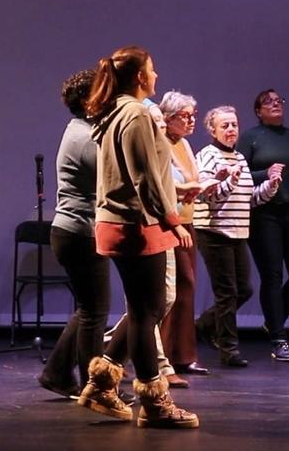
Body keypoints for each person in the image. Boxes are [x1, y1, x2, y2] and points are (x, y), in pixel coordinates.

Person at [77, 46, 198, 429]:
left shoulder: (114, 111)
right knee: (147, 313)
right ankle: (155, 402)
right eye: (152, 70)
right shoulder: (136, 114)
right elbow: (143, 176)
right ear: (140, 77)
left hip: (124, 221)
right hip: (136, 224)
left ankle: (102, 382)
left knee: (146, 309)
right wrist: (171, 219)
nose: (156, 75)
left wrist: (171, 203)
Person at [37, 70, 111, 398]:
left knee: (88, 308)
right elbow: (114, 177)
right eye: (103, 92)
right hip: (80, 233)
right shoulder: (85, 138)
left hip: (75, 231)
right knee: (95, 312)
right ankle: (94, 387)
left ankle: (56, 373)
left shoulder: (84, 130)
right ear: (87, 101)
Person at [193, 106, 280, 367]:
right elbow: (208, 196)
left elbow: (248, 199)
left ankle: (203, 326)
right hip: (214, 231)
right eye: (225, 126)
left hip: (238, 231)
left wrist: (270, 187)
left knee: (244, 289)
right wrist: (229, 182)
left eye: (234, 124)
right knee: (227, 292)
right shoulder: (206, 156)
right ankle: (228, 349)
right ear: (212, 130)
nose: (231, 129)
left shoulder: (240, 158)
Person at [239, 88, 289, 362]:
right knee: (272, 275)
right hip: (265, 214)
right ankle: (278, 337)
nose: (275, 104)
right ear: (258, 111)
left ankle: (274, 319)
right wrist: (265, 173)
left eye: (278, 100)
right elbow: (240, 174)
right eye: (268, 101)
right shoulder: (250, 137)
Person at [158, 91, 210, 377]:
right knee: (174, 288)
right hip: (169, 223)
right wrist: (187, 189)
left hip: (187, 221)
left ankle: (183, 355)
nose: (191, 121)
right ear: (168, 118)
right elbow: (161, 183)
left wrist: (205, 185)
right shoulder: (160, 142)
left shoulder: (185, 144)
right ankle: (162, 358)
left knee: (187, 288)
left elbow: (192, 180)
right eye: (185, 116)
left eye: (193, 116)